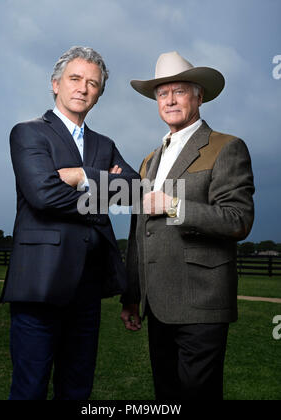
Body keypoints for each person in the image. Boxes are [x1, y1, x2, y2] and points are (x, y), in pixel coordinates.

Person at [0, 46, 140, 400]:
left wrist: (82, 175)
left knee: (77, 388)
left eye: (93, 83)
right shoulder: (29, 133)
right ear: (55, 84)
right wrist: (105, 190)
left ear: (99, 93)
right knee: (30, 388)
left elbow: (136, 190)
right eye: (75, 79)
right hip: (40, 284)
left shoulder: (103, 144)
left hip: (88, 286)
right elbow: (44, 195)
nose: (83, 88)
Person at [120, 51, 255, 400]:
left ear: (199, 96)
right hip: (157, 304)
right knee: (166, 395)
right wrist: (132, 295)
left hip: (202, 302)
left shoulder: (226, 148)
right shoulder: (150, 159)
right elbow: (141, 231)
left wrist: (175, 205)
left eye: (179, 91)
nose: (169, 100)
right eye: (162, 94)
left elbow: (238, 219)